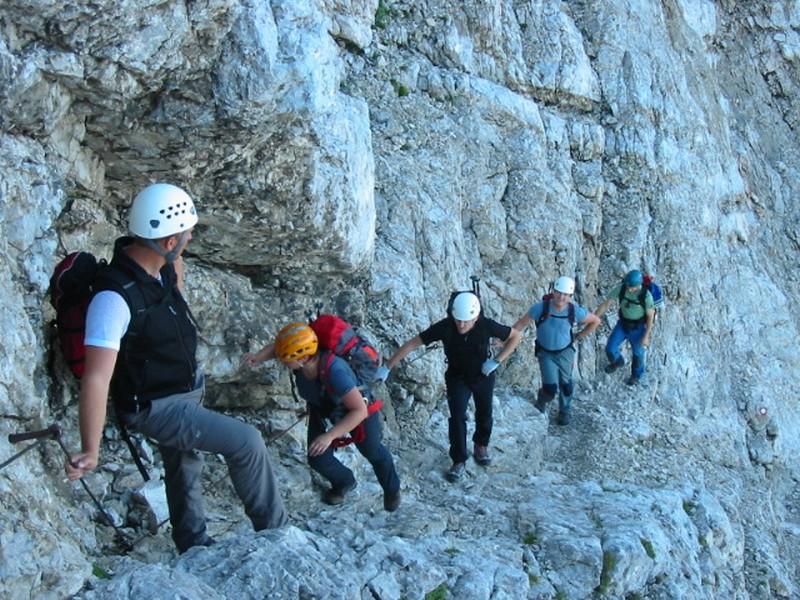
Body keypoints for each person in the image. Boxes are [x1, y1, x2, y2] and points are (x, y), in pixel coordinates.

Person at [64, 183, 287, 553]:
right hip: (155, 406)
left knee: (183, 461)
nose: (190, 238)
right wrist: (91, 449)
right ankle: (278, 535)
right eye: (186, 234)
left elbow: (175, 283)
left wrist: (174, 240)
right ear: (168, 242)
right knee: (246, 442)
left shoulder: (157, 268)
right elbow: (97, 376)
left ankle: (191, 541)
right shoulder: (114, 299)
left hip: (181, 390)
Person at [242, 322, 401, 511]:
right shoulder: (302, 359)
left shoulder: (336, 372)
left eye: (286, 358)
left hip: (357, 412)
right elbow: (279, 349)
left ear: (303, 357)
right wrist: (257, 358)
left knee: (372, 451)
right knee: (317, 457)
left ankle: (392, 489)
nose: (283, 362)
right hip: (323, 409)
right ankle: (344, 482)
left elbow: (359, 411)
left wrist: (329, 436)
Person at [376, 292, 522, 482]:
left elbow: (516, 336)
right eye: (458, 320)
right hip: (457, 377)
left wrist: (497, 361)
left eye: (466, 321)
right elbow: (413, 343)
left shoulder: (486, 325)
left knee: (485, 411)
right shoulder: (446, 327)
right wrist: (387, 367)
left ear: (476, 317)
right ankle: (459, 459)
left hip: (483, 375)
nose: (461, 325)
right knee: (457, 416)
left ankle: (481, 445)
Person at [512, 276, 600, 426]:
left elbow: (595, 321)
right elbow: (521, 324)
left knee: (566, 385)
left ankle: (564, 411)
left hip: (565, 351)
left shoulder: (574, 311)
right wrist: (506, 339)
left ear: (570, 296)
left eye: (565, 295)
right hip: (546, 353)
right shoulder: (541, 308)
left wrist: (579, 336)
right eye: (559, 293)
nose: (561, 297)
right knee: (550, 387)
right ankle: (542, 400)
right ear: (553, 292)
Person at [593, 269, 655, 386]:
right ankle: (617, 362)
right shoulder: (622, 288)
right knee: (610, 348)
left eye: (632, 287)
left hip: (638, 328)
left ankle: (636, 375)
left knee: (638, 353)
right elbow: (606, 304)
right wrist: (594, 317)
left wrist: (646, 336)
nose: (629, 289)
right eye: (628, 285)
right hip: (622, 324)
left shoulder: (646, 296)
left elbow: (651, 317)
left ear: (639, 285)